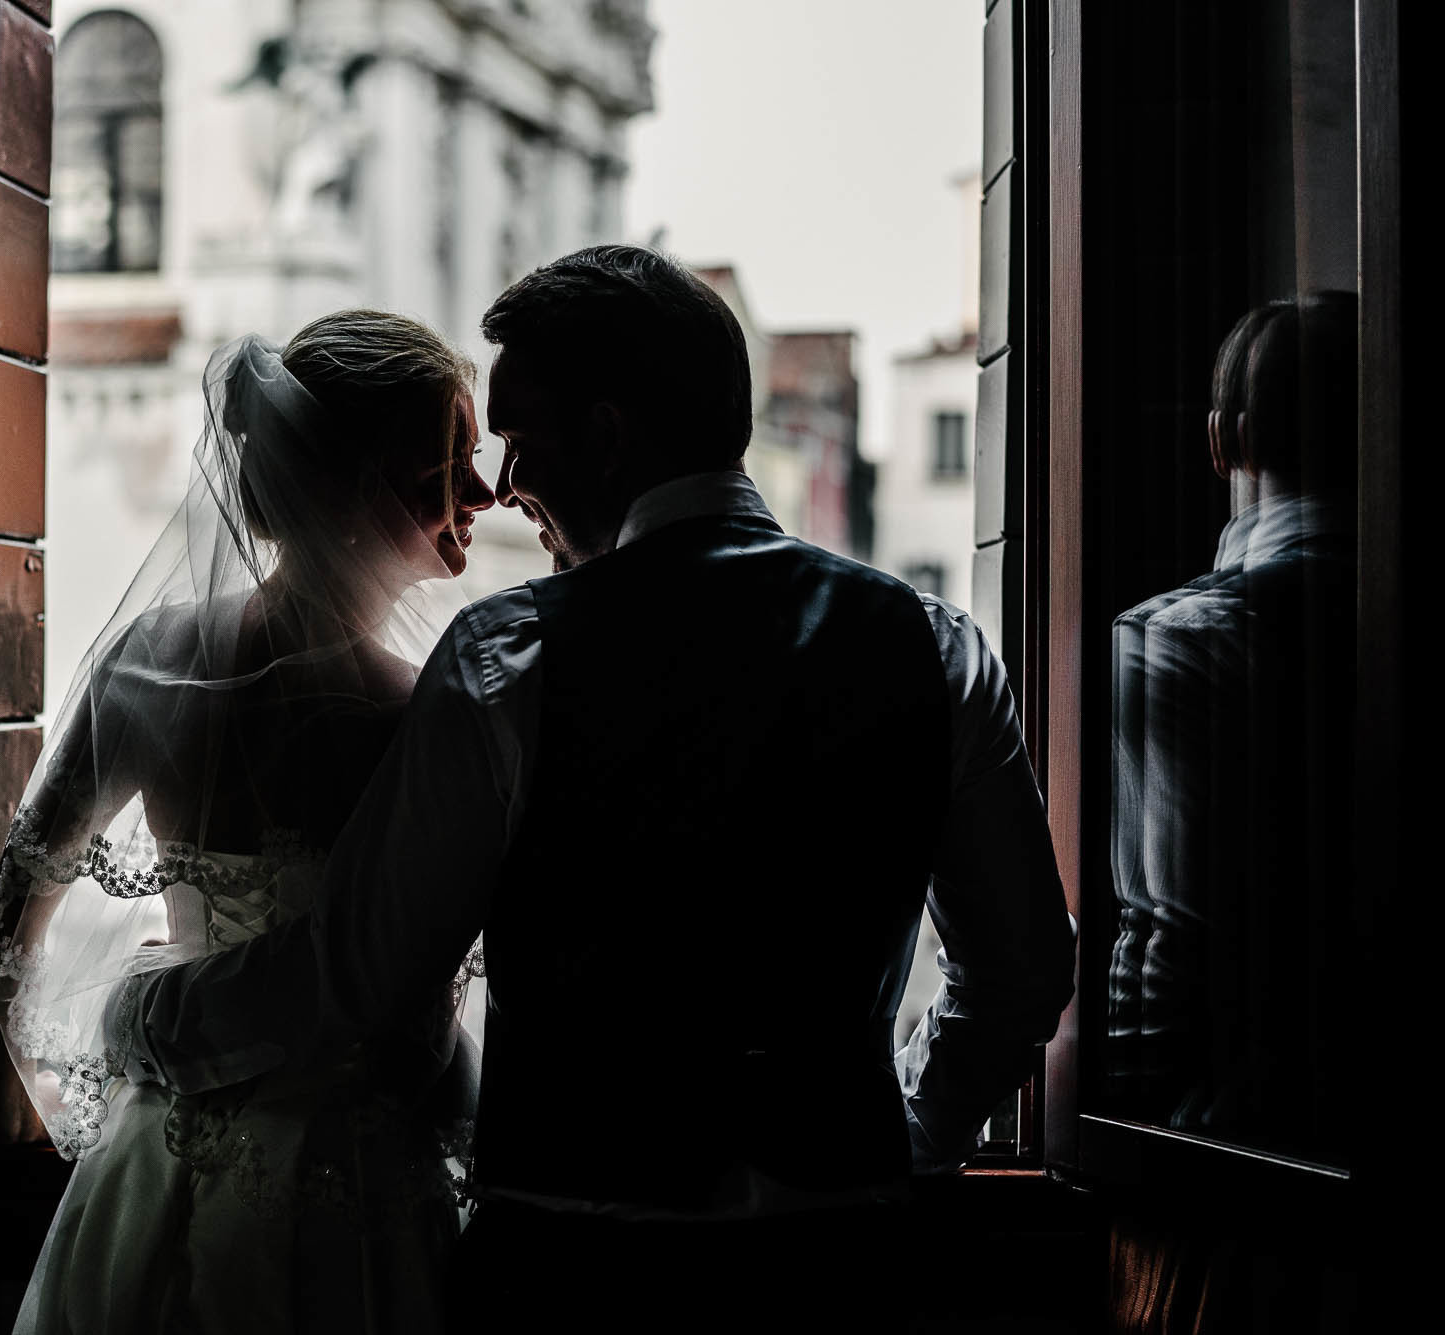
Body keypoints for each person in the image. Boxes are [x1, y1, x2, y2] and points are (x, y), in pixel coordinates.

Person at [122, 246, 1078, 1328]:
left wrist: (145, 1012)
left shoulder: (508, 656)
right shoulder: (933, 645)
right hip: (841, 1270)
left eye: (522, 440)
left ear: (609, 433)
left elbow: (362, 975)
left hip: (569, 1275)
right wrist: (908, 1141)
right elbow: (1020, 970)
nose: (508, 485)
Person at [0, 312, 498, 1334]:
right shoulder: (424, 710)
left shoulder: (152, 661)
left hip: (154, 1163)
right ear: (352, 486)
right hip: (353, 1184)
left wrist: (45, 1102)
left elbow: (13, 912)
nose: (482, 493)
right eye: (447, 462)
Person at [1104, 292, 1357, 1160]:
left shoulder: (1179, 640)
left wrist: (1123, 1135)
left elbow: (1162, 936)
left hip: (1235, 1158)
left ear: (1224, 439)